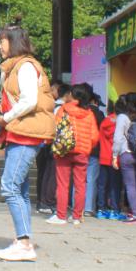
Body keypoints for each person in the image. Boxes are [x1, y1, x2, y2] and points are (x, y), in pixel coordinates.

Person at [0, 23, 55, 262]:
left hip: (25, 134)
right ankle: (22, 240)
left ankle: (25, 244)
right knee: (21, 190)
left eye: (2, 41)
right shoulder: (15, 67)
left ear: (13, 42)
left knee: (10, 186)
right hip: (20, 132)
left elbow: (29, 100)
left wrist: (5, 117)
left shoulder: (25, 66)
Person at [49, 83, 100, 226]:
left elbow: (55, 128)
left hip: (64, 151)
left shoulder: (63, 109)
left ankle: (61, 216)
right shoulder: (89, 113)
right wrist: (87, 146)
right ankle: (77, 217)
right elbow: (94, 136)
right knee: (80, 185)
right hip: (82, 152)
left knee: (63, 184)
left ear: (72, 95)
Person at [113, 92, 136, 225]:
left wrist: (114, 155)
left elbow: (118, 138)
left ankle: (135, 215)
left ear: (125, 102)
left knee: (130, 186)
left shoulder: (123, 117)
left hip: (127, 154)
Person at [35, 82, 70, 213]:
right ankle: (47, 202)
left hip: (46, 143)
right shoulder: (60, 108)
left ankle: (42, 202)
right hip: (54, 144)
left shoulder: (51, 106)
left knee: (45, 173)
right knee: (51, 174)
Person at [95, 102, 123, 220]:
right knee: (114, 185)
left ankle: (101, 209)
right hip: (115, 158)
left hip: (103, 157)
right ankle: (114, 210)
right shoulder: (120, 123)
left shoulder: (104, 121)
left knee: (102, 185)